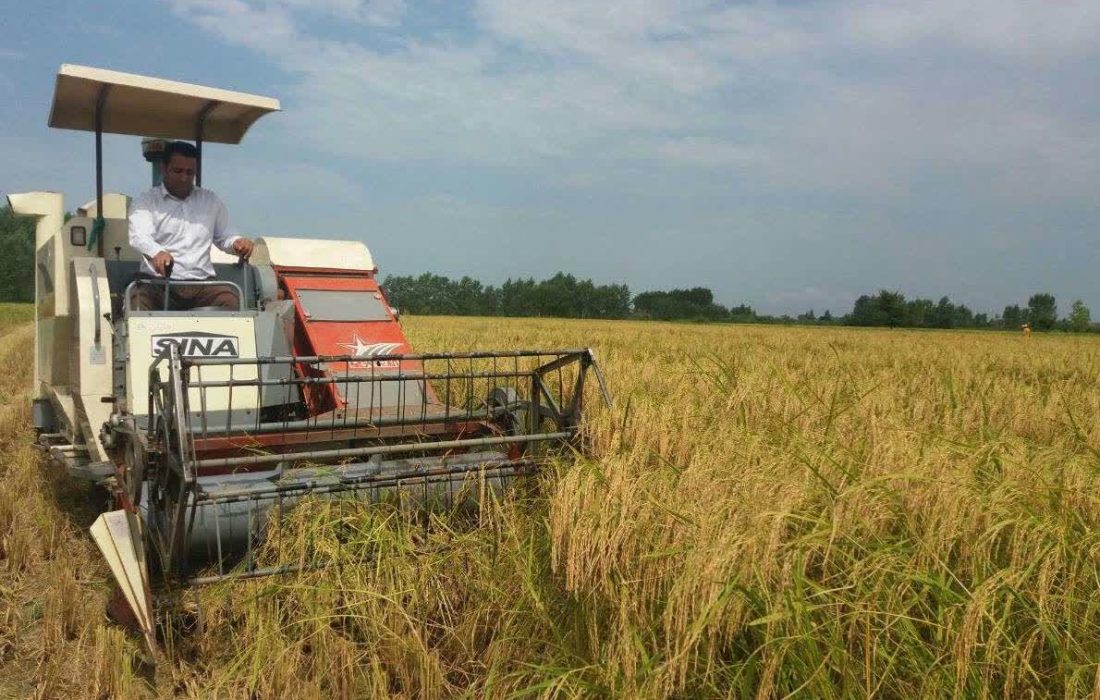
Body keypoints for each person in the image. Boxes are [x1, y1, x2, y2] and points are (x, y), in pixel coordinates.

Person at [127, 141, 255, 311]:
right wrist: (156, 252)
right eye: (178, 171)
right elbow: (139, 236)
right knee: (137, 301)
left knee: (230, 300)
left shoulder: (210, 201)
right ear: (164, 169)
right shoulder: (145, 202)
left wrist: (238, 243)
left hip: (202, 285)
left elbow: (226, 236)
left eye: (190, 172)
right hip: (157, 284)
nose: (184, 178)